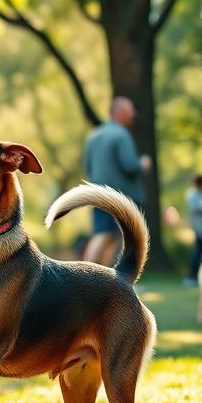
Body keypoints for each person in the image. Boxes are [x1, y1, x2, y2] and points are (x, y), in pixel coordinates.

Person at [82, 96, 153, 274]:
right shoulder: (121, 134)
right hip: (121, 195)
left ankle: (101, 279)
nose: (134, 114)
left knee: (104, 234)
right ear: (120, 112)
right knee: (116, 237)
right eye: (131, 110)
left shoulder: (94, 135)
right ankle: (83, 275)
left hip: (97, 192)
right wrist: (143, 164)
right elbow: (130, 165)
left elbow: (87, 166)